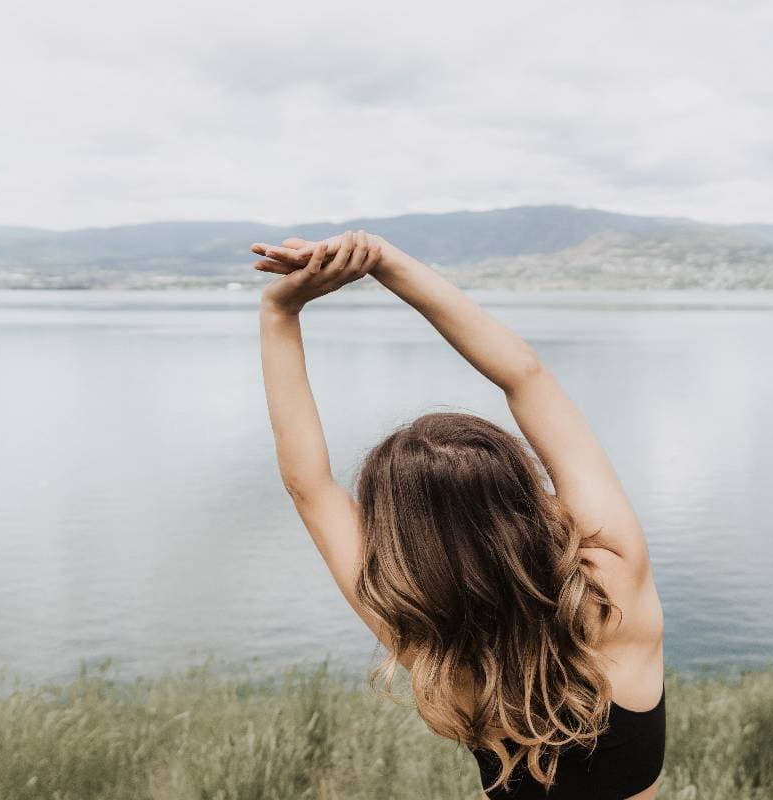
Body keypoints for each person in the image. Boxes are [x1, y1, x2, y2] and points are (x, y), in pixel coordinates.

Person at [251, 230, 666, 799]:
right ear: (518, 488)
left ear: (401, 536)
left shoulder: (426, 640)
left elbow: (312, 489)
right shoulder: (613, 586)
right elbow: (525, 376)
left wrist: (280, 312)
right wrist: (383, 258)